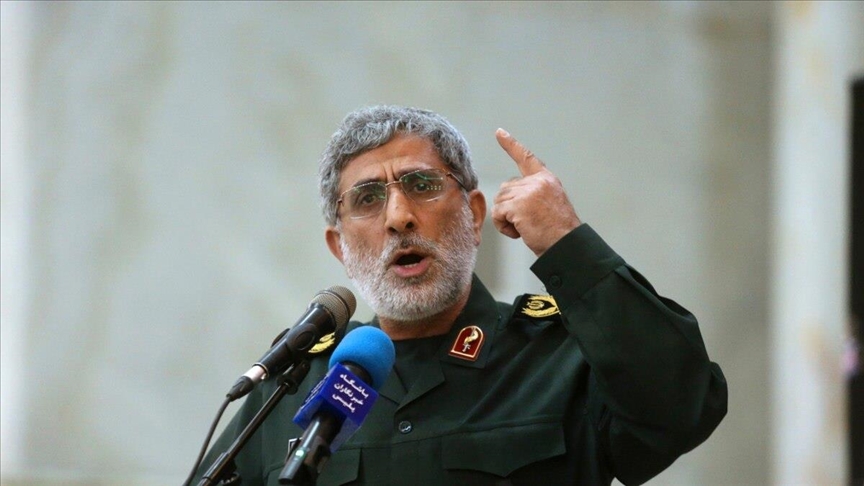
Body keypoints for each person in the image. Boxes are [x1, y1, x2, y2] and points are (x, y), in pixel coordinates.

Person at [192, 105, 727, 485]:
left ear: (473, 216)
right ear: (340, 247)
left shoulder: (562, 357)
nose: (399, 217)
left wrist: (567, 243)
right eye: (368, 199)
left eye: (421, 185)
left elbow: (683, 406)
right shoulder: (293, 385)